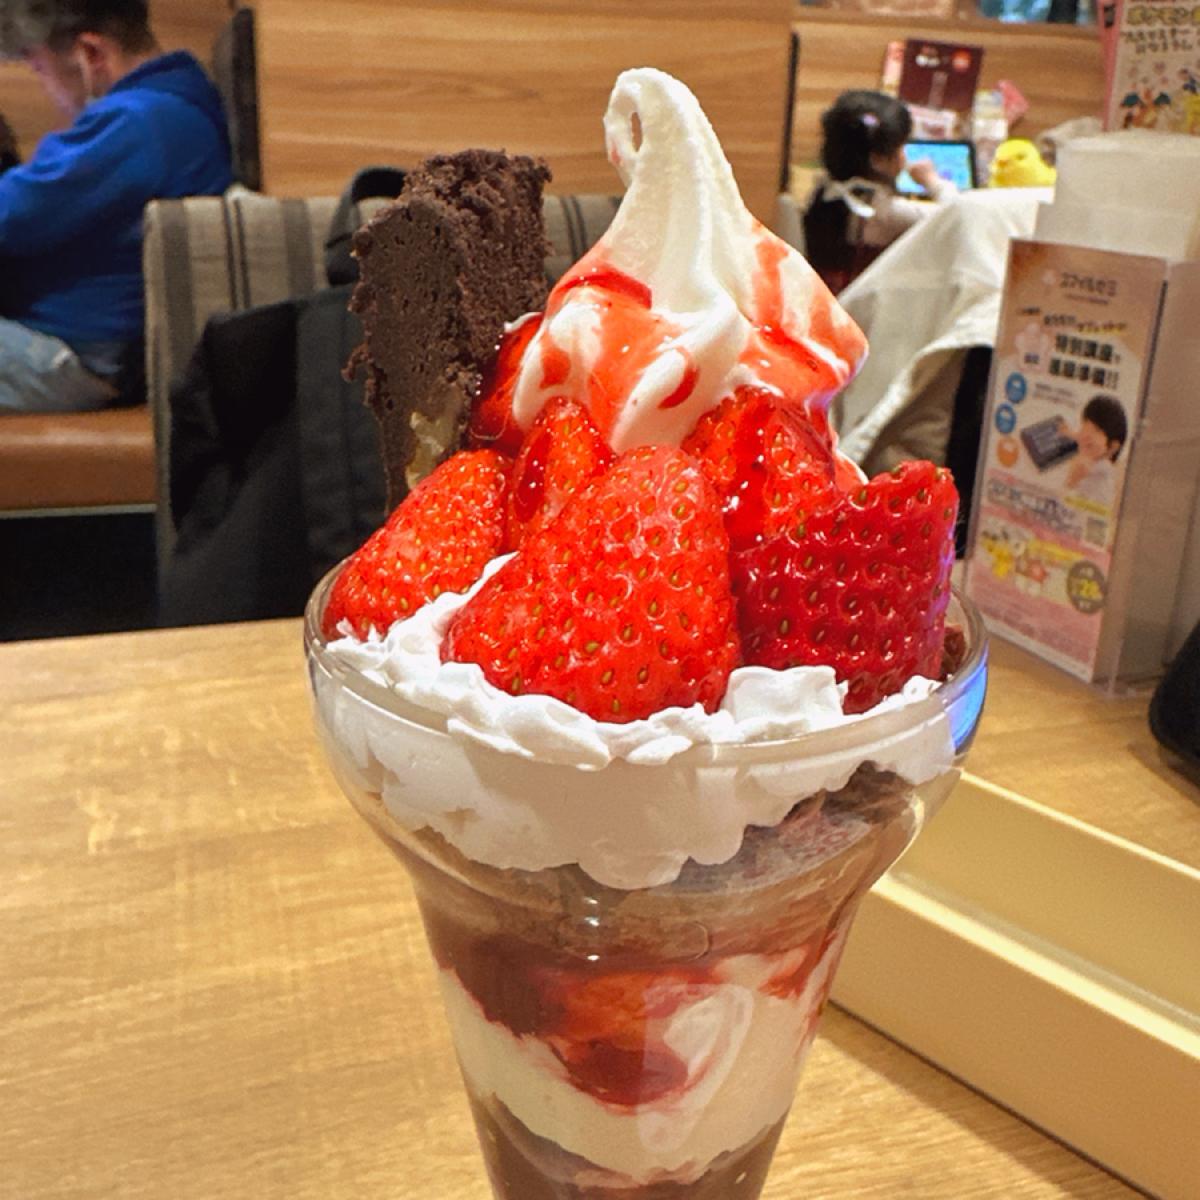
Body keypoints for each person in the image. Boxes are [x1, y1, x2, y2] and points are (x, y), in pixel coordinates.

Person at [0, 1, 232, 413]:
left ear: (91, 54)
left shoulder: (136, 123)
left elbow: (11, 213)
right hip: (97, 354)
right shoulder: (178, 103)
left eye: (39, 69)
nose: (46, 88)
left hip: (73, 358)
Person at [802, 90, 958, 294]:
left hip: (826, 299)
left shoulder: (823, 191)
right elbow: (959, 216)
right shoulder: (884, 213)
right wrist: (932, 181)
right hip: (860, 308)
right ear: (878, 160)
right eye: (901, 147)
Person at [1060, 394, 1128, 506]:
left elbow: (1067, 503)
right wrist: (1070, 434)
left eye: (1097, 430)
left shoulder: (1099, 470)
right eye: (1084, 425)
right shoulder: (1095, 459)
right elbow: (1084, 439)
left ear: (1112, 447)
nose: (1086, 434)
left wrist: (1071, 482)